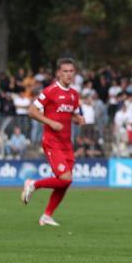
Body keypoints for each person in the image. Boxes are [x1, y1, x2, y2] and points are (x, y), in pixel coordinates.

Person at [21, 58, 84, 226]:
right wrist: (49, 122)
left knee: (64, 183)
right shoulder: (50, 91)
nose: (68, 74)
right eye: (65, 71)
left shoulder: (74, 94)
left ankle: (47, 216)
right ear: (59, 73)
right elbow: (32, 111)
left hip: (67, 144)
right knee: (65, 179)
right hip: (52, 142)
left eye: (71, 71)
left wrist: (77, 118)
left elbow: (71, 113)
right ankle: (33, 184)